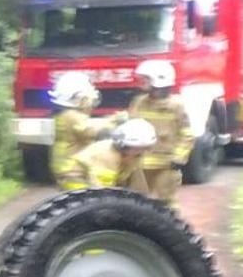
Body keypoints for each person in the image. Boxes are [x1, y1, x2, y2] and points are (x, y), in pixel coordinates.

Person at [124, 60, 192, 202]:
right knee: (137, 201)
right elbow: (128, 125)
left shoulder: (176, 106)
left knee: (167, 204)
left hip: (166, 165)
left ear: (159, 80)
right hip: (139, 164)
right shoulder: (138, 102)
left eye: (146, 79)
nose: (142, 82)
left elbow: (186, 135)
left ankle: (170, 225)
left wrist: (179, 157)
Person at [59, 119, 159, 194]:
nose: (145, 151)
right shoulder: (107, 156)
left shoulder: (133, 156)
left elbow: (139, 187)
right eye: (142, 147)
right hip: (78, 182)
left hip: (96, 184)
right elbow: (103, 192)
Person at [48, 72, 103, 177]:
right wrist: (114, 123)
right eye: (88, 98)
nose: (91, 102)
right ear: (79, 98)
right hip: (74, 169)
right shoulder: (73, 116)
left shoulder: (63, 115)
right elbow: (91, 131)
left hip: (66, 167)